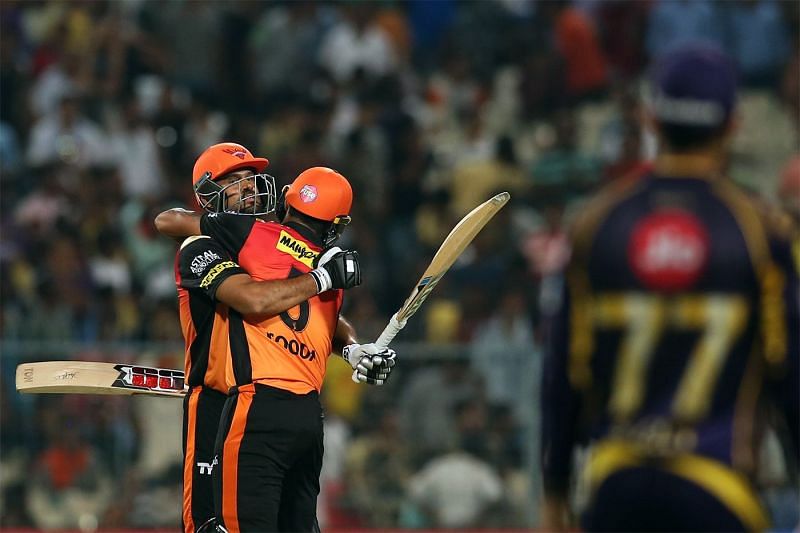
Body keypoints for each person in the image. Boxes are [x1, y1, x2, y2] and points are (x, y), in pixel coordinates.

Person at [541, 45, 798, 532]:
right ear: (733, 124)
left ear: (651, 120)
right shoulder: (759, 229)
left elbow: (563, 372)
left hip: (616, 482)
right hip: (717, 486)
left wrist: (554, 492)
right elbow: (790, 371)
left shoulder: (597, 223)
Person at [158, 143, 394, 532]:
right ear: (208, 192)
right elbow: (169, 222)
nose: (248, 188)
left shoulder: (272, 242)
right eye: (235, 181)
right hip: (216, 401)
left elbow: (316, 311)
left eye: (250, 179)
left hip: (257, 403)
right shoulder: (203, 244)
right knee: (206, 524)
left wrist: (351, 348)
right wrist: (321, 277)